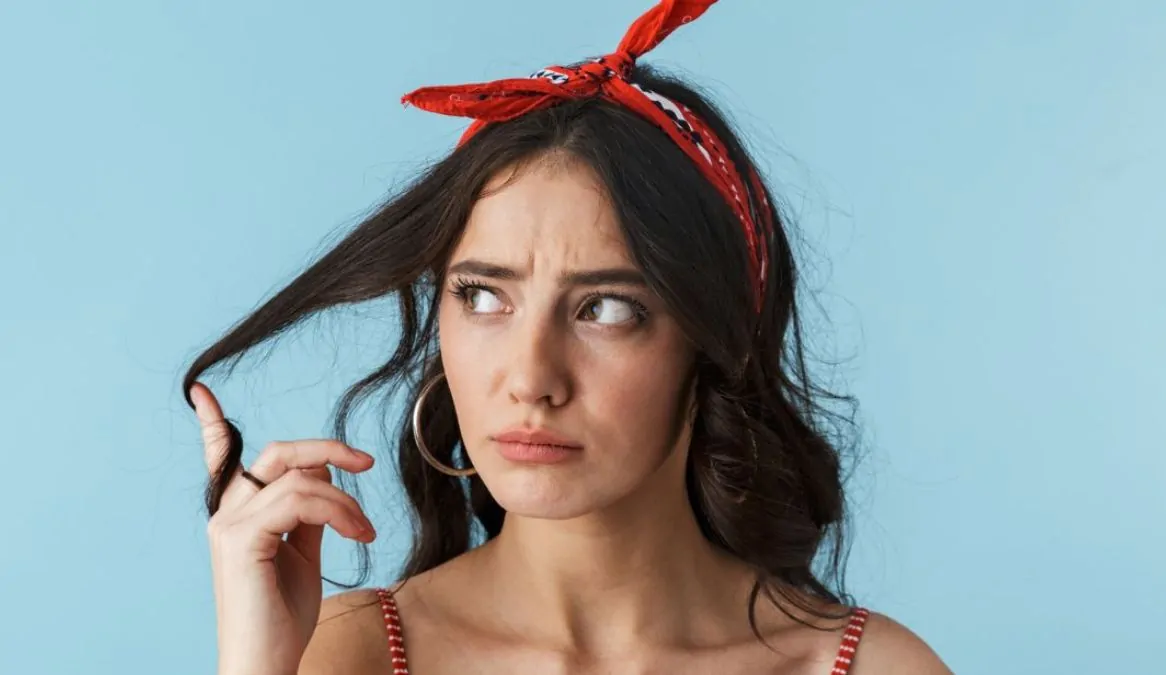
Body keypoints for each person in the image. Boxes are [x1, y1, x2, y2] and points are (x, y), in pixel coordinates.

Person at [185, 1, 952, 673]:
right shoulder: (345, 656)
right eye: (484, 295)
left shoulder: (871, 668)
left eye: (607, 309)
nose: (531, 378)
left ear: (719, 338)